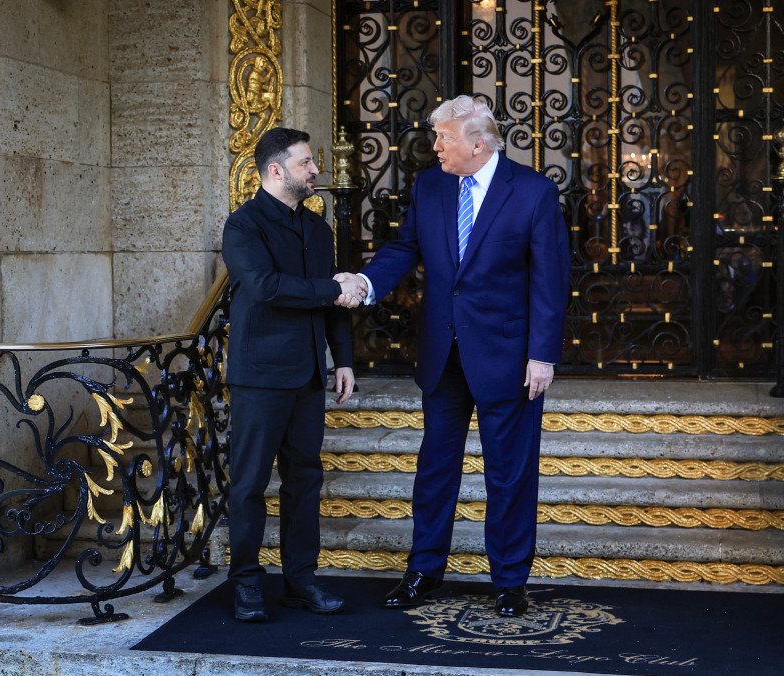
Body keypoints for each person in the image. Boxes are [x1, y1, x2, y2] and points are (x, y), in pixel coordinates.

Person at [337, 95, 569, 617]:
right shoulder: (430, 186)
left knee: (509, 472)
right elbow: (404, 249)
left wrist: (542, 355)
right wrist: (366, 281)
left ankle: (510, 580)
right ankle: (424, 571)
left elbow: (551, 280)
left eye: (443, 137)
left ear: (478, 143)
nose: (435, 146)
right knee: (435, 469)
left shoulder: (532, 192)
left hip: (508, 356)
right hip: (443, 354)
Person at [221, 127, 366, 622]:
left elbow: (335, 307)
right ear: (276, 170)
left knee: (304, 481)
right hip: (259, 376)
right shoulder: (242, 227)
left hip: (308, 375)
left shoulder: (318, 230)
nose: (316, 171)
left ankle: (301, 581)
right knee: (249, 484)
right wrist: (330, 287)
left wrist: (343, 359)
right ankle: (244, 584)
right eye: (306, 163)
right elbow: (264, 287)